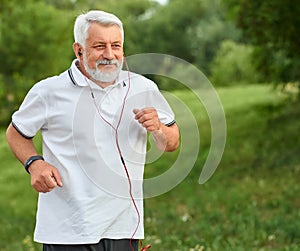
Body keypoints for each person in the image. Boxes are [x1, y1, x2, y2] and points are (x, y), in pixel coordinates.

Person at [6, 10, 179, 251]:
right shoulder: (48, 91)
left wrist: (158, 128)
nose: (109, 54)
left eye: (115, 45)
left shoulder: (143, 87)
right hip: (66, 230)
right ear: (79, 50)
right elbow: (16, 133)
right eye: (99, 46)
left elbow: (170, 143)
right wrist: (35, 163)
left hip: (124, 228)